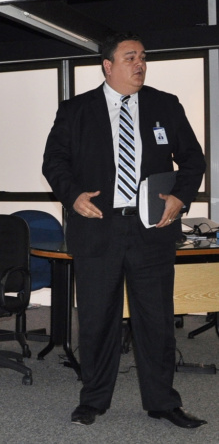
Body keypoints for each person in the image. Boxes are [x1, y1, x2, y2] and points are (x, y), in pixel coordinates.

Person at [42, 32, 206, 428]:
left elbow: (193, 159)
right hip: (98, 227)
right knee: (97, 319)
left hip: (152, 228)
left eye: (143, 57)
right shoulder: (76, 110)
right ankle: (93, 400)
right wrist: (73, 195)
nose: (140, 64)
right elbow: (54, 161)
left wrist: (180, 198)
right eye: (130, 57)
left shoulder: (165, 105)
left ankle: (162, 402)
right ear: (108, 65)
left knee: (157, 320)